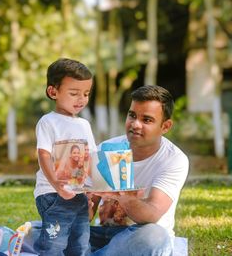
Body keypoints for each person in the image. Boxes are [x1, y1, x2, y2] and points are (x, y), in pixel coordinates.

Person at [89, 85, 189, 256]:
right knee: (43, 230)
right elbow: (87, 213)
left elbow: (151, 214)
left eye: (147, 120)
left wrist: (121, 193)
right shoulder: (106, 148)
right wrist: (79, 203)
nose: (135, 124)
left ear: (165, 126)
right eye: (132, 115)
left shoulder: (173, 159)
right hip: (102, 235)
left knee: (155, 237)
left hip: (140, 236)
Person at [33, 58, 97, 256]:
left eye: (86, 94)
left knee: (80, 244)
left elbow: (91, 158)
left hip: (79, 194)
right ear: (53, 92)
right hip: (53, 195)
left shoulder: (84, 125)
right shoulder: (48, 122)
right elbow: (43, 154)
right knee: (54, 244)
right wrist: (56, 184)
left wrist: (95, 188)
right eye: (74, 93)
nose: (81, 99)